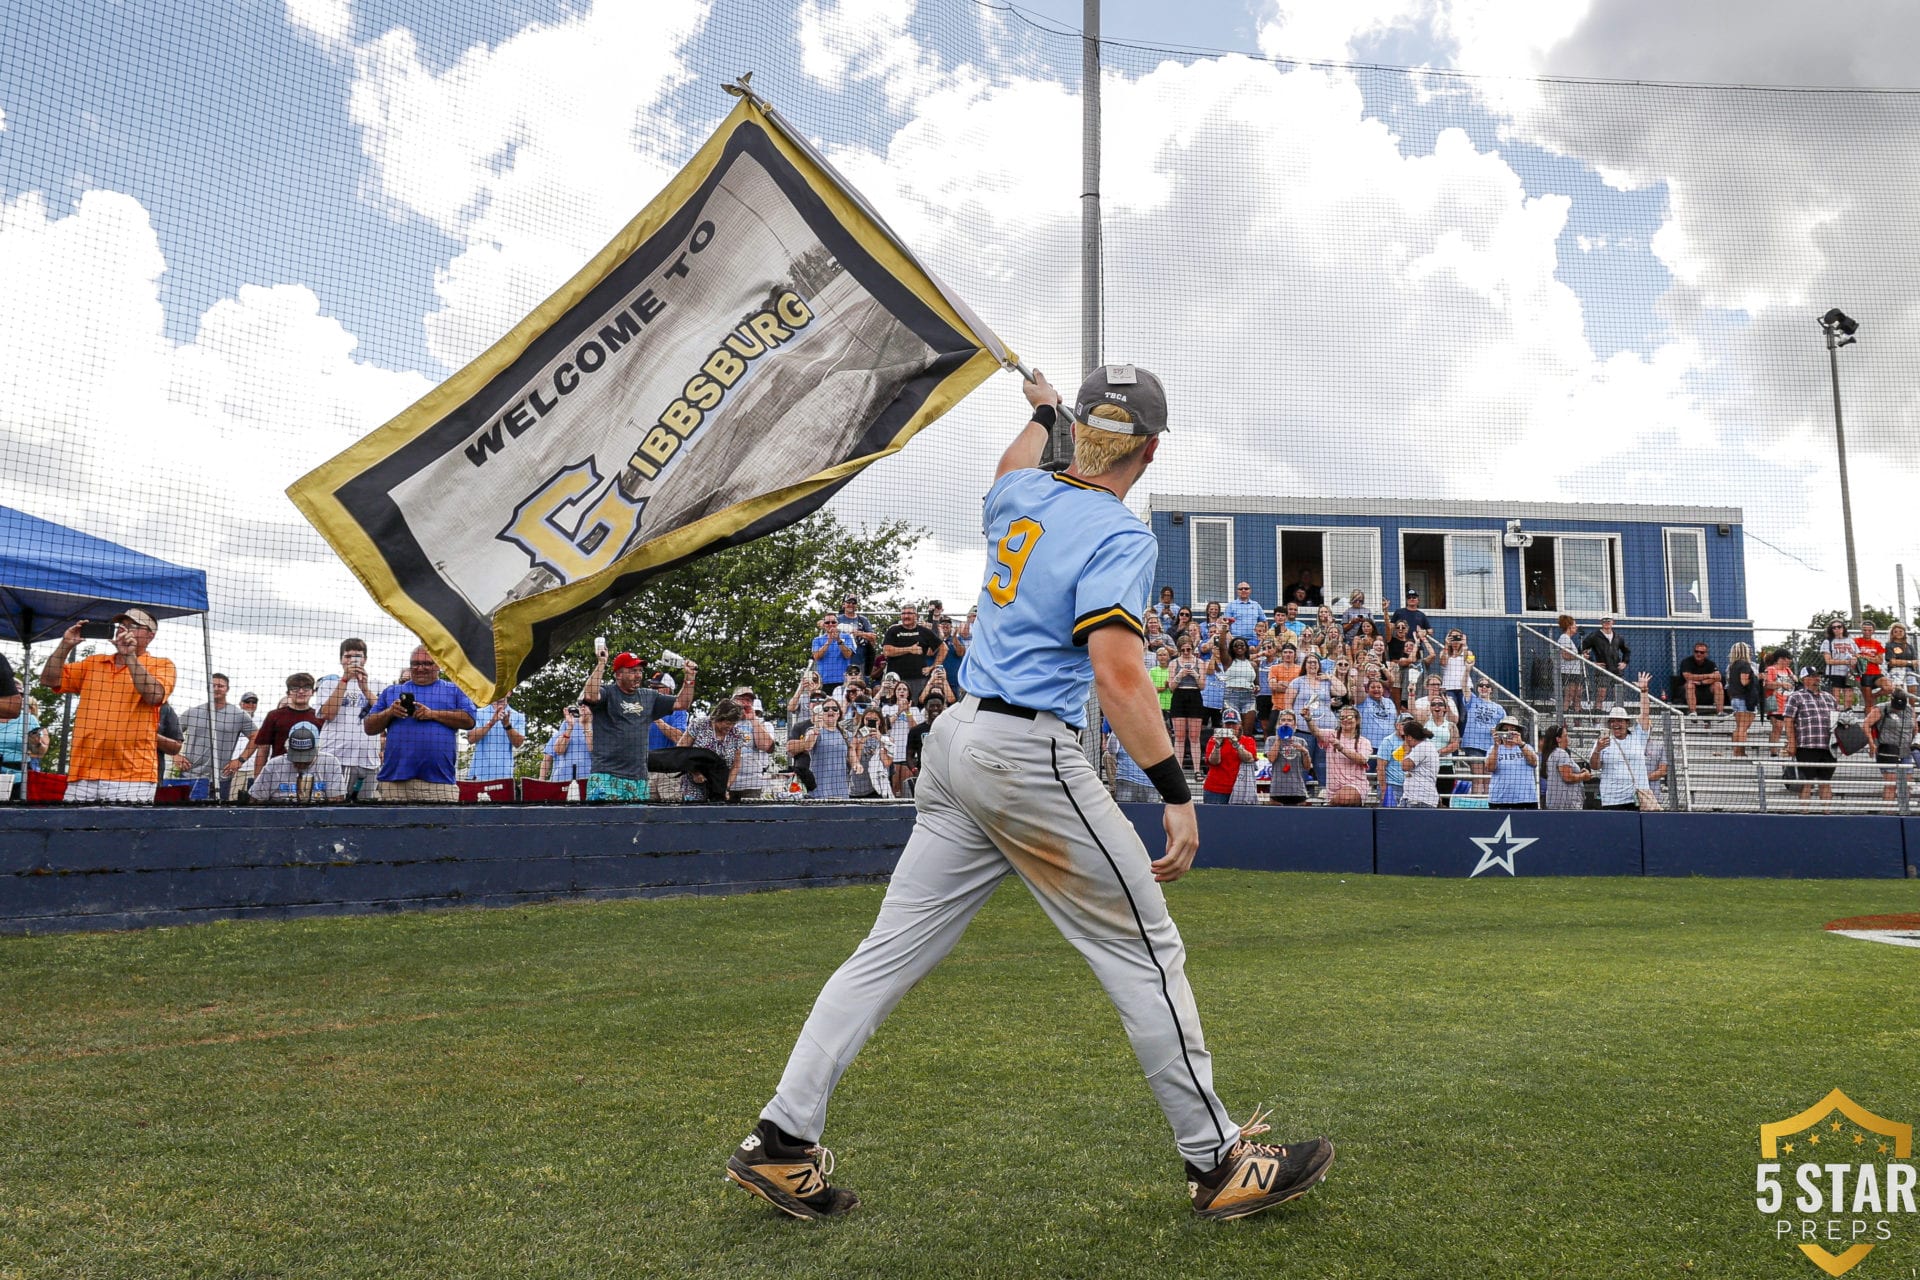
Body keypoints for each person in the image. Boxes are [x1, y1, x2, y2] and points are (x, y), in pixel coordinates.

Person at [727, 365, 1332, 1225]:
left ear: (1078, 431)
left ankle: (783, 1142)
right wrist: (1175, 788)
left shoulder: (1020, 494)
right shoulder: (1119, 535)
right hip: (1026, 754)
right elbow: (1119, 676)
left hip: (956, 745)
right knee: (1146, 952)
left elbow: (1021, 459)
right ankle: (1217, 1161)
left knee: (887, 952)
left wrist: (1047, 411)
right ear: (1151, 450)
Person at [40, 610, 176, 803]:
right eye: (121, 625)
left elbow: (154, 695)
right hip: (83, 773)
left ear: (150, 635)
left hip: (133, 776)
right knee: (73, 831)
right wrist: (65, 645)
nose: (124, 630)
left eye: (132, 627)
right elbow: (48, 679)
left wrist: (129, 657)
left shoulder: (162, 665)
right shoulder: (93, 663)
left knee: (124, 833)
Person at [577, 649, 696, 802]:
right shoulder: (607, 692)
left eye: (640, 670)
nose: (638, 675)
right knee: (604, 824)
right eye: (633, 671)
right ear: (618, 674)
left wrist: (690, 678)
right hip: (607, 776)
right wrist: (601, 663)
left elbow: (682, 703)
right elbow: (590, 695)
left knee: (636, 825)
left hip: (638, 779)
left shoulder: (649, 697)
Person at [364, 646, 478, 803]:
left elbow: (469, 720)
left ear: (438, 665)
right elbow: (369, 727)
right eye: (415, 664)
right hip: (394, 783)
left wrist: (432, 714)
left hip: (439, 784)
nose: (420, 668)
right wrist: (390, 712)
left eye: (427, 664)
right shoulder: (391, 692)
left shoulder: (455, 690)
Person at [314, 639, 385, 801]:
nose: (352, 660)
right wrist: (344, 680)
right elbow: (328, 714)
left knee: (363, 810)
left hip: (368, 760)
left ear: (365, 659)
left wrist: (365, 689)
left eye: (357, 656)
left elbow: (384, 714)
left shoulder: (377, 685)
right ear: (341, 659)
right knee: (332, 806)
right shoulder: (328, 684)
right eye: (348, 656)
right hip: (336, 758)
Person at [175, 674, 255, 801]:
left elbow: (255, 737)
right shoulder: (192, 713)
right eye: (213, 685)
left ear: (227, 689)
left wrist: (240, 760)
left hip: (221, 778)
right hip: (190, 775)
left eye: (220, 686)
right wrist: (176, 755)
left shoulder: (238, 715)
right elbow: (172, 734)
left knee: (217, 817)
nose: (216, 688)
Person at [1588, 675, 1655, 812]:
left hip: (1636, 797)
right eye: (1612, 721)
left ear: (1627, 723)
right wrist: (1598, 750)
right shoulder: (1602, 742)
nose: (1616, 724)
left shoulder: (1638, 737)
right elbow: (1594, 766)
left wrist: (1644, 691)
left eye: (1619, 720)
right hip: (1612, 799)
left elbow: (1645, 714)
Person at [1784, 666, 1839, 807]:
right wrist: (1792, 742)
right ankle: (1805, 814)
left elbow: (1837, 719)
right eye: (1813, 676)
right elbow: (1788, 720)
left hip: (1828, 746)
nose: (1817, 678)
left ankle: (1827, 814)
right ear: (1804, 679)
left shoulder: (1830, 697)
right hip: (1806, 746)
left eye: (1818, 676)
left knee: (1825, 782)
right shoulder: (1796, 697)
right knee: (1806, 783)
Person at [253, 721, 346, 802]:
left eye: (306, 759)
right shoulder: (274, 765)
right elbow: (255, 799)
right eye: (296, 758)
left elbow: (337, 799)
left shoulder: (330, 762)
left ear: (317, 750)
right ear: (288, 748)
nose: (300, 763)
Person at [1314, 705, 1373, 807]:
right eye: (1342, 717)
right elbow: (1316, 732)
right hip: (1333, 788)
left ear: (1357, 720)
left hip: (1355, 785)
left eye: (1349, 717)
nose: (1345, 720)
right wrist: (1308, 719)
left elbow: (1362, 759)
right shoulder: (1331, 735)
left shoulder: (1364, 742)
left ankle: (1327, 806)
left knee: (1345, 797)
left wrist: (1341, 748)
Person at [880, 604, 942, 701]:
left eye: (909, 613)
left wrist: (933, 666)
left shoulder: (924, 631)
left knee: (916, 707)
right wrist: (910, 649)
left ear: (916, 616)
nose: (906, 616)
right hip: (895, 679)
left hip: (918, 679)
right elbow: (887, 651)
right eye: (903, 613)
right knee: (891, 706)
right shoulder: (893, 630)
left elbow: (944, 648)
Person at [1200, 706, 1258, 804]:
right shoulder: (1214, 740)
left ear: (1240, 724)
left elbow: (1249, 758)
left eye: (1233, 724)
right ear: (1223, 725)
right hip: (1215, 789)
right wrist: (1217, 745)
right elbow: (1214, 762)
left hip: (1240, 789)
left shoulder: (1248, 740)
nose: (1230, 727)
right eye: (1227, 724)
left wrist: (1236, 744)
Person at [1867, 683, 1914, 805]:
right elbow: (1866, 724)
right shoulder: (1881, 708)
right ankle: (1889, 813)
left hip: (1906, 751)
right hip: (1888, 751)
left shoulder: (1909, 709)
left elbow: (1914, 728)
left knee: (1907, 785)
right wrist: (1872, 743)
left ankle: (1905, 813)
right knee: (1891, 785)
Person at [729, 687, 778, 801]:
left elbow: (767, 747)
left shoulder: (760, 723)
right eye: (741, 699)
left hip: (751, 783)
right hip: (726, 782)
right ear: (732, 701)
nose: (745, 703)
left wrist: (753, 719)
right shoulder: (725, 721)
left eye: (749, 700)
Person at [1482, 717, 1538, 809]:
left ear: (1518, 732)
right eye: (1505, 730)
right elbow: (1490, 768)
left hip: (1526, 799)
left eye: (1513, 730)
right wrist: (1496, 746)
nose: (1508, 733)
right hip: (1499, 800)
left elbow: (1534, 762)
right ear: (1499, 732)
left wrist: (1521, 744)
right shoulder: (1493, 749)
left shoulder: (1526, 747)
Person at [467, 697, 527, 782]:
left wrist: (507, 725)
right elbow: (471, 739)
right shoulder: (478, 713)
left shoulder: (518, 716)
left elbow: (518, 743)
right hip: (478, 774)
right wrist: (491, 722)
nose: (501, 690)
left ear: (509, 692)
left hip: (504, 775)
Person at [1538, 723, 1590, 811]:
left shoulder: (1551, 753)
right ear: (1558, 739)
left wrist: (1578, 773)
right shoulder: (1561, 753)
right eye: (1565, 736)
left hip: (1555, 803)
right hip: (1567, 805)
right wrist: (1584, 776)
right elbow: (1567, 777)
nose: (1568, 738)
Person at [1265, 712, 1314, 805]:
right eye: (1283, 720)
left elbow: (1307, 767)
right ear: (1278, 723)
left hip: (1298, 790)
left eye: (1289, 720)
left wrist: (1304, 751)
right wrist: (1279, 739)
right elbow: (1271, 759)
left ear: (1295, 724)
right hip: (1277, 790)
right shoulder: (1271, 740)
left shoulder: (1301, 741)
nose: (1286, 723)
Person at [542, 703, 594, 785]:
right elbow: (558, 751)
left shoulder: (599, 726)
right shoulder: (566, 723)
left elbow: (593, 749)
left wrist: (586, 725)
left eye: (587, 703)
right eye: (580, 703)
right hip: (562, 779)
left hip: (588, 780)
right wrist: (570, 727)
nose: (582, 706)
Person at [1724, 642, 1761, 758]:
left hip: (1735, 698)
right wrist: (1756, 678)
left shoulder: (1732, 665)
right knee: (1743, 728)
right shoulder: (1745, 665)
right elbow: (1744, 681)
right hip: (1744, 699)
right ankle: (1740, 752)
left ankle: (1737, 752)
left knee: (1740, 727)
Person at [1396, 718, 1440, 809]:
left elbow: (1405, 766)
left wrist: (1407, 750)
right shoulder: (1423, 746)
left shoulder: (1422, 747)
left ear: (1409, 737)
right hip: (1413, 798)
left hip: (1420, 800)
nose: (1404, 740)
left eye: (1404, 737)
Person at [1819, 620, 1859, 713]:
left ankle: (1847, 717)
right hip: (1834, 673)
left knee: (1848, 698)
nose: (1837, 629)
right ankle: (1834, 716)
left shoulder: (1850, 640)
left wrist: (1854, 659)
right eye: (1834, 627)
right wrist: (1846, 662)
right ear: (1831, 630)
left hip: (1849, 673)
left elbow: (1858, 655)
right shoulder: (1828, 642)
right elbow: (1828, 660)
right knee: (1835, 698)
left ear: (1843, 628)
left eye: (1839, 626)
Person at [811, 615, 856, 693]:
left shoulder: (847, 637)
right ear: (824, 625)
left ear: (837, 623)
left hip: (843, 681)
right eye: (827, 622)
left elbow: (848, 655)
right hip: (823, 681)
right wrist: (828, 641)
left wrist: (838, 640)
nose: (830, 624)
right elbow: (816, 657)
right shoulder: (817, 640)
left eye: (833, 622)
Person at [1676, 642, 1724, 716]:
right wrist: (1709, 675)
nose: (1698, 654)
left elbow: (1718, 677)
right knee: (1690, 684)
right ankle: (1693, 712)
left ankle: (1720, 712)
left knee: (1718, 684)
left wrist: (1702, 682)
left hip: (1706, 690)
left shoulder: (1711, 664)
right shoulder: (1686, 662)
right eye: (1696, 651)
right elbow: (1688, 677)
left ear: (1706, 654)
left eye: (1701, 652)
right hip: (1690, 691)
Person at [838, 596, 877, 680]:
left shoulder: (863, 620)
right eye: (848, 602)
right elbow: (821, 623)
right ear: (843, 604)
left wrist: (858, 633)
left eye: (854, 603)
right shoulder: (837, 619)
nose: (851, 605)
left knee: (860, 684)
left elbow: (873, 637)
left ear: (856, 606)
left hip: (860, 658)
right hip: (841, 658)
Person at [1581, 617, 1630, 683]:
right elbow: (1581, 649)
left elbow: (1626, 651)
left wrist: (1625, 662)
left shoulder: (1618, 637)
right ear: (1601, 622)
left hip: (1617, 671)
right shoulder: (1594, 636)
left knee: (1618, 692)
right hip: (1602, 670)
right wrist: (1593, 662)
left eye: (1609, 620)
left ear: (1613, 622)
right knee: (1601, 692)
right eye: (1604, 621)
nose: (1607, 622)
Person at [1554, 614, 1585, 712]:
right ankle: (1564, 712)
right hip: (1568, 672)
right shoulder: (1564, 638)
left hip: (1575, 672)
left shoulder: (1569, 639)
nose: (1576, 627)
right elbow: (1566, 655)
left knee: (1578, 694)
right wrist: (1581, 656)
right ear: (1569, 626)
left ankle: (1577, 712)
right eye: (1574, 625)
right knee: (1569, 695)